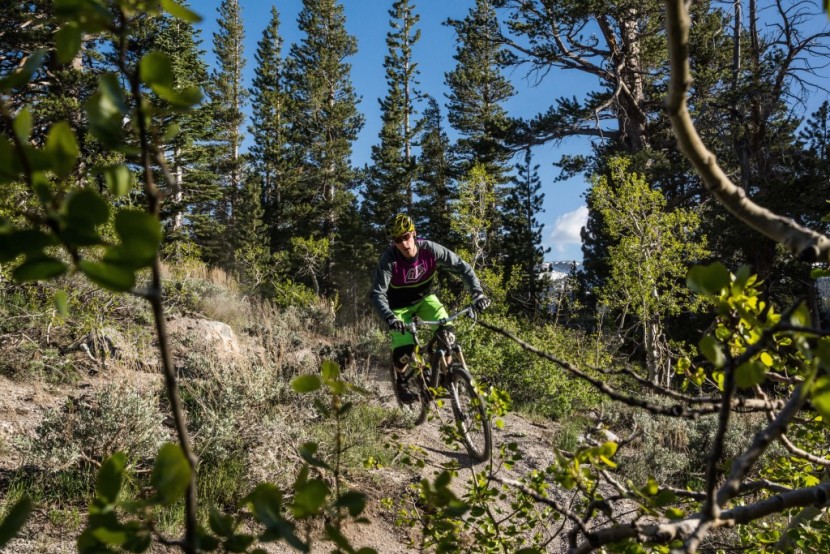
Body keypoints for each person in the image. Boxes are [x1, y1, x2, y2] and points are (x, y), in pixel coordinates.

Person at [369, 213, 490, 402]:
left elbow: (463, 268)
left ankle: (446, 378)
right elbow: (377, 294)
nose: (404, 243)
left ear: (414, 233)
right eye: (397, 240)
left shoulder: (430, 250)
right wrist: (390, 317)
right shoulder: (389, 260)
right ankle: (401, 382)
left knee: (447, 335)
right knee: (405, 350)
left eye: (406, 236)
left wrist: (477, 293)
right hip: (399, 306)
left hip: (425, 298)